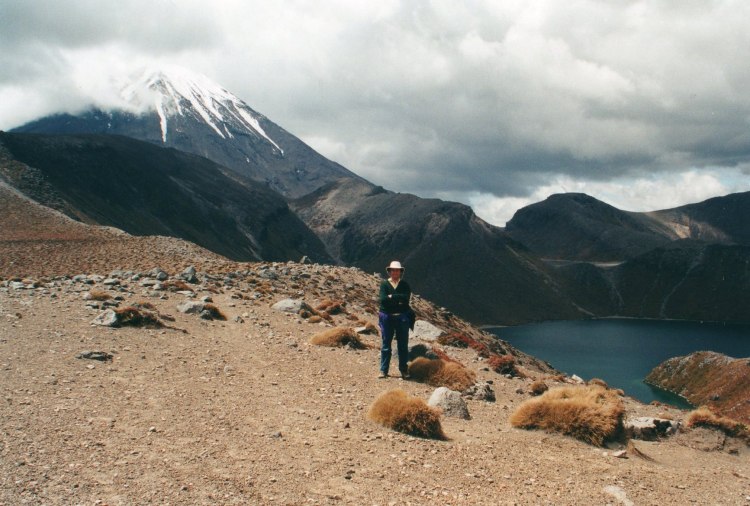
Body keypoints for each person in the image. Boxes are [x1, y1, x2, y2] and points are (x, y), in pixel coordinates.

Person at [378, 260, 412, 379]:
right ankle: (383, 370)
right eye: (393, 270)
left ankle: (403, 370)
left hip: (401, 318)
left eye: (397, 270)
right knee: (386, 344)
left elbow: (406, 299)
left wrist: (392, 296)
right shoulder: (384, 284)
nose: (395, 272)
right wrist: (398, 300)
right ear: (389, 271)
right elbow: (382, 300)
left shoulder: (404, 285)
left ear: (400, 272)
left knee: (403, 345)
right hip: (387, 317)